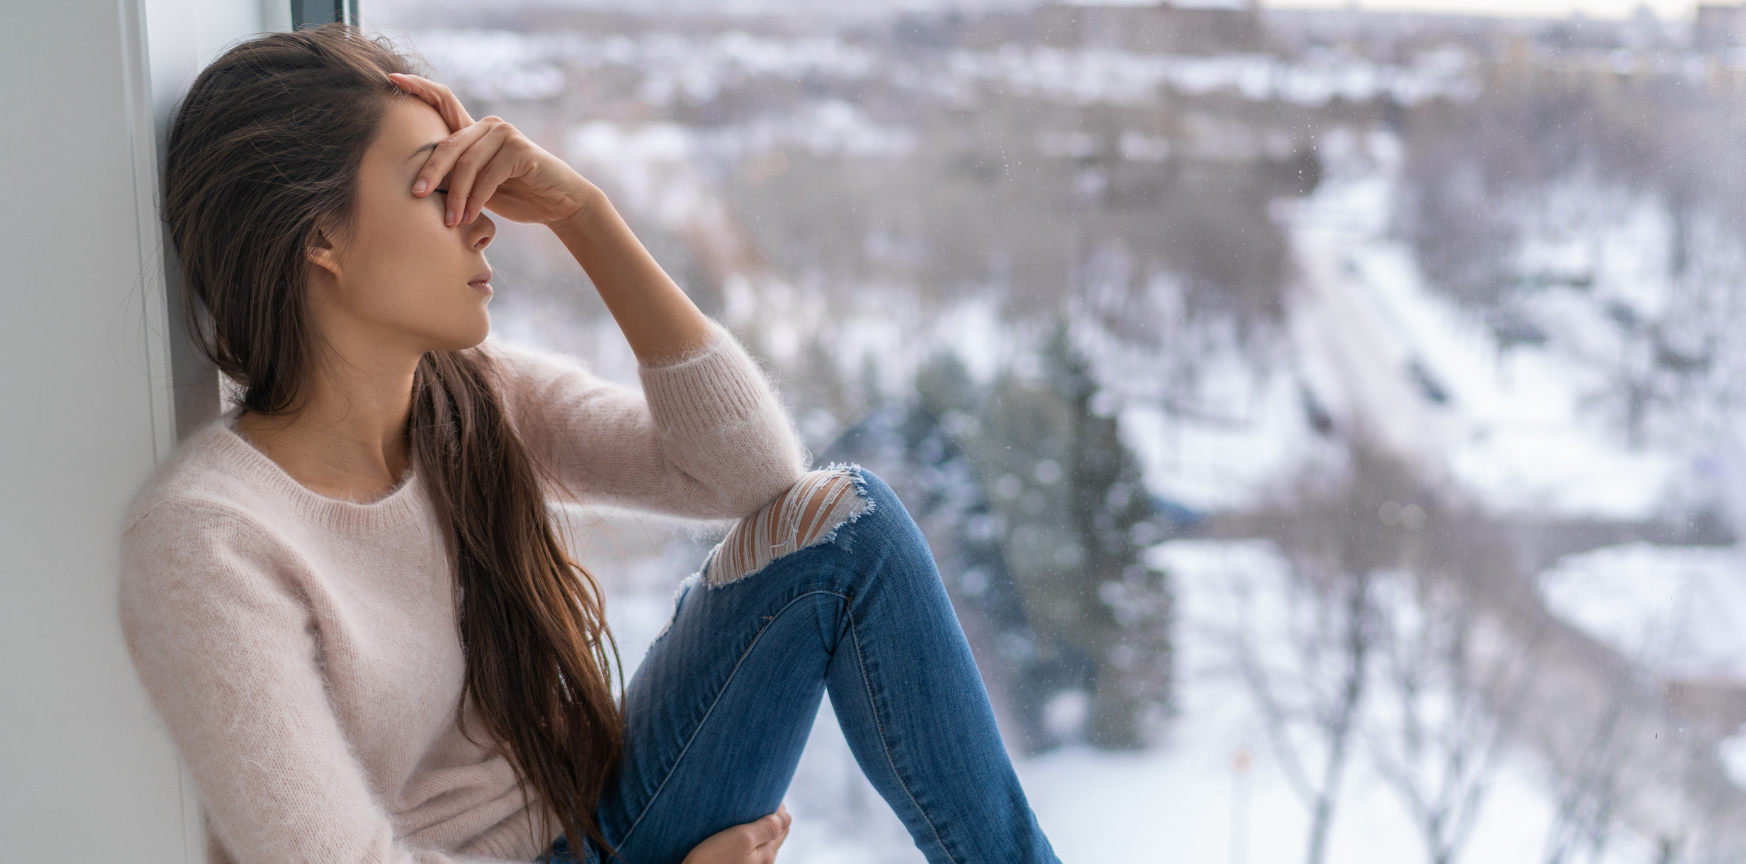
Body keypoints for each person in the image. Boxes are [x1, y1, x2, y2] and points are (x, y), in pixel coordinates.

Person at [119, 23, 1060, 864]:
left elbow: (753, 477)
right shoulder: (211, 542)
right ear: (321, 235)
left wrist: (584, 215)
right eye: (436, 185)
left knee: (848, 524)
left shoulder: (468, 398)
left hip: (598, 810)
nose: (480, 216)